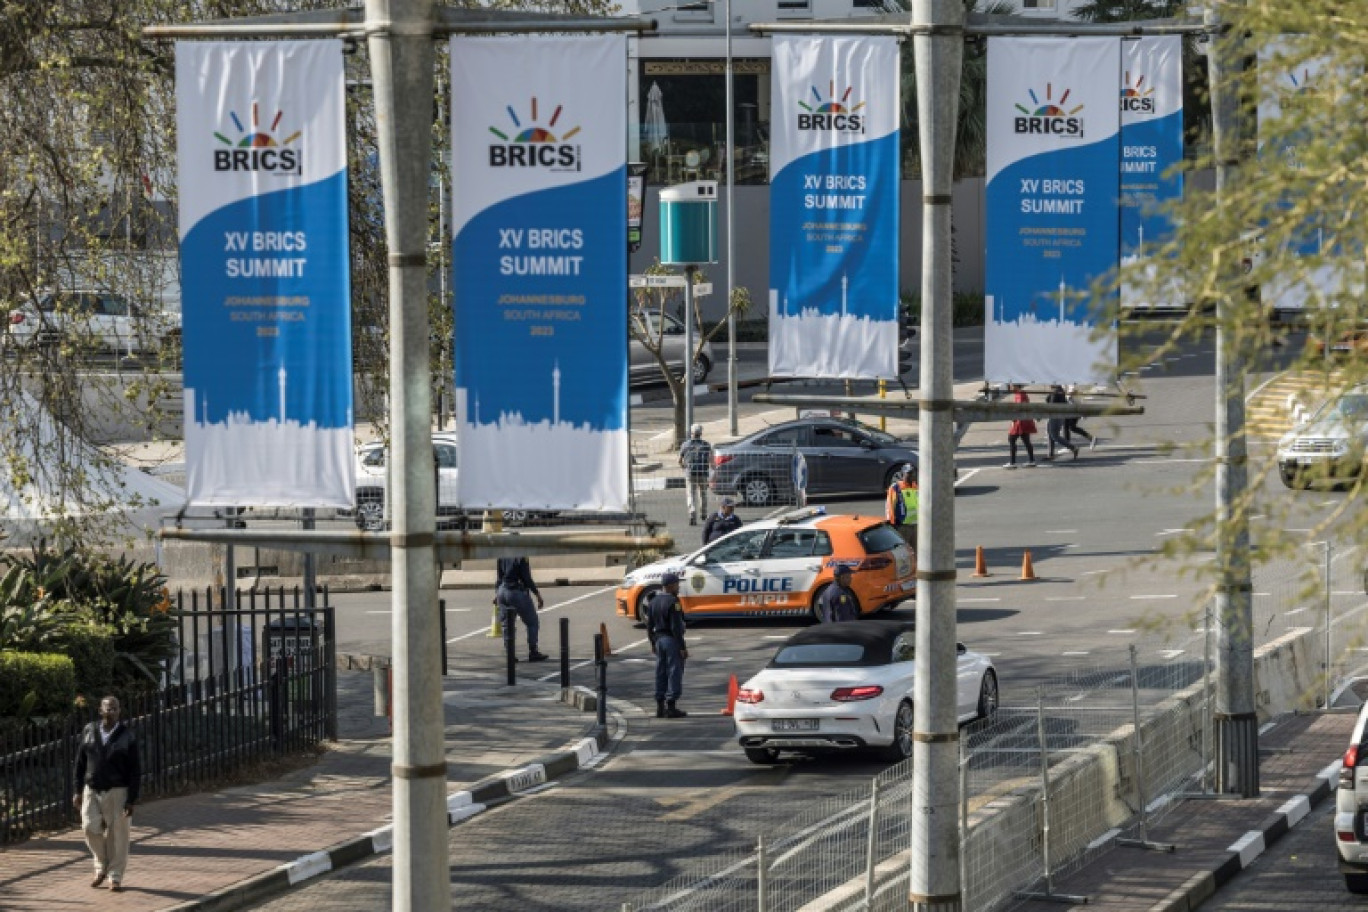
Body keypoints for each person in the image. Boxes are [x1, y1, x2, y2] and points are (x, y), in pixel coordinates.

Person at [74, 695, 140, 892]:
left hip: (117, 790)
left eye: (115, 709)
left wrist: (132, 799)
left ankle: (114, 876)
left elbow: (135, 769)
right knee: (88, 825)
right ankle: (101, 865)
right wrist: (77, 790)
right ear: (100, 710)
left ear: (119, 711)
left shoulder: (127, 735)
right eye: (107, 708)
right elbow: (80, 762)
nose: (111, 712)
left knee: (117, 834)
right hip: (92, 788)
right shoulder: (89, 730)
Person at [646, 572, 689, 718]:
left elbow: (649, 625)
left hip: (658, 640)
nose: (678, 587)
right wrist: (682, 647)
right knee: (674, 672)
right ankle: (671, 706)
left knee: (660, 672)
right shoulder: (673, 602)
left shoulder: (653, 601)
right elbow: (676, 627)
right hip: (671, 640)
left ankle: (659, 705)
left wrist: (652, 642)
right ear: (670, 586)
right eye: (677, 584)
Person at [496, 556, 549, 662]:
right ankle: (533, 651)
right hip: (516, 591)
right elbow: (526, 578)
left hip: (502, 591)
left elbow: (499, 577)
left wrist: (497, 593)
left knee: (507, 624)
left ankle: (510, 653)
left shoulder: (501, 555)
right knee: (532, 622)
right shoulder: (521, 557)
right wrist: (537, 594)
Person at [677, 423, 713, 526]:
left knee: (690, 493)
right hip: (703, 472)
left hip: (690, 472)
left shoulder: (685, 445)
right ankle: (704, 513)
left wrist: (684, 467)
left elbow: (679, 460)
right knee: (703, 493)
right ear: (701, 433)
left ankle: (692, 511)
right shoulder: (706, 445)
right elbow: (711, 460)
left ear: (691, 433)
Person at [884, 462, 918, 550]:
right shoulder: (896, 488)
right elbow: (890, 506)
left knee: (917, 552)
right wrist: (892, 523)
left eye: (913, 473)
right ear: (903, 474)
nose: (912, 476)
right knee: (903, 552)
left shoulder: (916, 487)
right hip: (903, 526)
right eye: (909, 473)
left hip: (916, 525)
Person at [1005, 386, 1038, 469]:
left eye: (1011, 385)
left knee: (1012, 439)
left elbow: (1019, 408)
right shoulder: (1020, 394)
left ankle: (1013, 462)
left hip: (1020, 422)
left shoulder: (1020, 395)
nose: (1009, 387)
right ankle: (1032, 460)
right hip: (1024, 420)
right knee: (1026, 441)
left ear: (1016, 386)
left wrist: (1014, 419)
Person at [1045, 384, 1078, 461]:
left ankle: (1073, 447)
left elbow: (1050, 404)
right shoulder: (1059, 391)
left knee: (1054, 435)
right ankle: (1051, 454)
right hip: (1058, 416)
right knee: (1050, 435)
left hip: (1055, 416)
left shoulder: (1056, 392)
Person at [1064, 384, 1098, 450]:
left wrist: (1067, 394)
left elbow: (1073, 391)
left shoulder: (1072, 382)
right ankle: (1091, 438)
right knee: (1071, 427)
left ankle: (1067, 445)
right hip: (1074, 407)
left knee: (1068, 426)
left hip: (1074, 408)